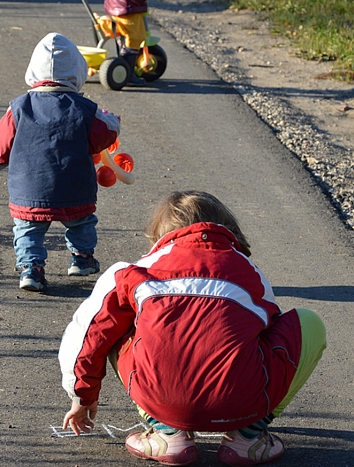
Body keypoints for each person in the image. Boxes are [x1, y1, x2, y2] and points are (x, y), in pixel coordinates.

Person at [59, 191, 327, 466]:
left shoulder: (135, 271)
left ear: (161, 234)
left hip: (161, 396)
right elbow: (269, 330)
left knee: (113, 323)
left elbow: (86, 334)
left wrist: (82, 395)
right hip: (241, 400)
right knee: (308, 322)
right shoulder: (249, 270)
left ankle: (167, 432)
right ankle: (249, 435)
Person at [0, 33, 120, 292]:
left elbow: (0, 147)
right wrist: (113, 121)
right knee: (81, 221)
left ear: (33, 71)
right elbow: (105, 135)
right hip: (74, 187)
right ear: (78, 71)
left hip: (30, 190)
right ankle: (82, 258)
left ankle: (31, 269)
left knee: (28, 229)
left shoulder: (19, 107)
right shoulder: (85, 109)